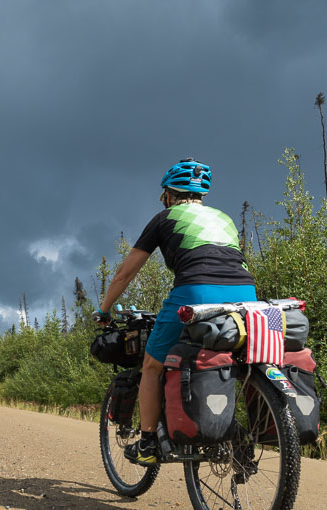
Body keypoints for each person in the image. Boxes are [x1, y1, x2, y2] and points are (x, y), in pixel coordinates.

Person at [95, 158, 257, 466]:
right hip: (246, 295)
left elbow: (124, 275)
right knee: (228, 354)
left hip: (195, 292)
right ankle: (232, 427)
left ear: (169, 195)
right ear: (201, 195)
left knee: (152, 366)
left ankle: (146, 444)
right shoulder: (223, 218)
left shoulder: (164, 218)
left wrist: (103, 310)